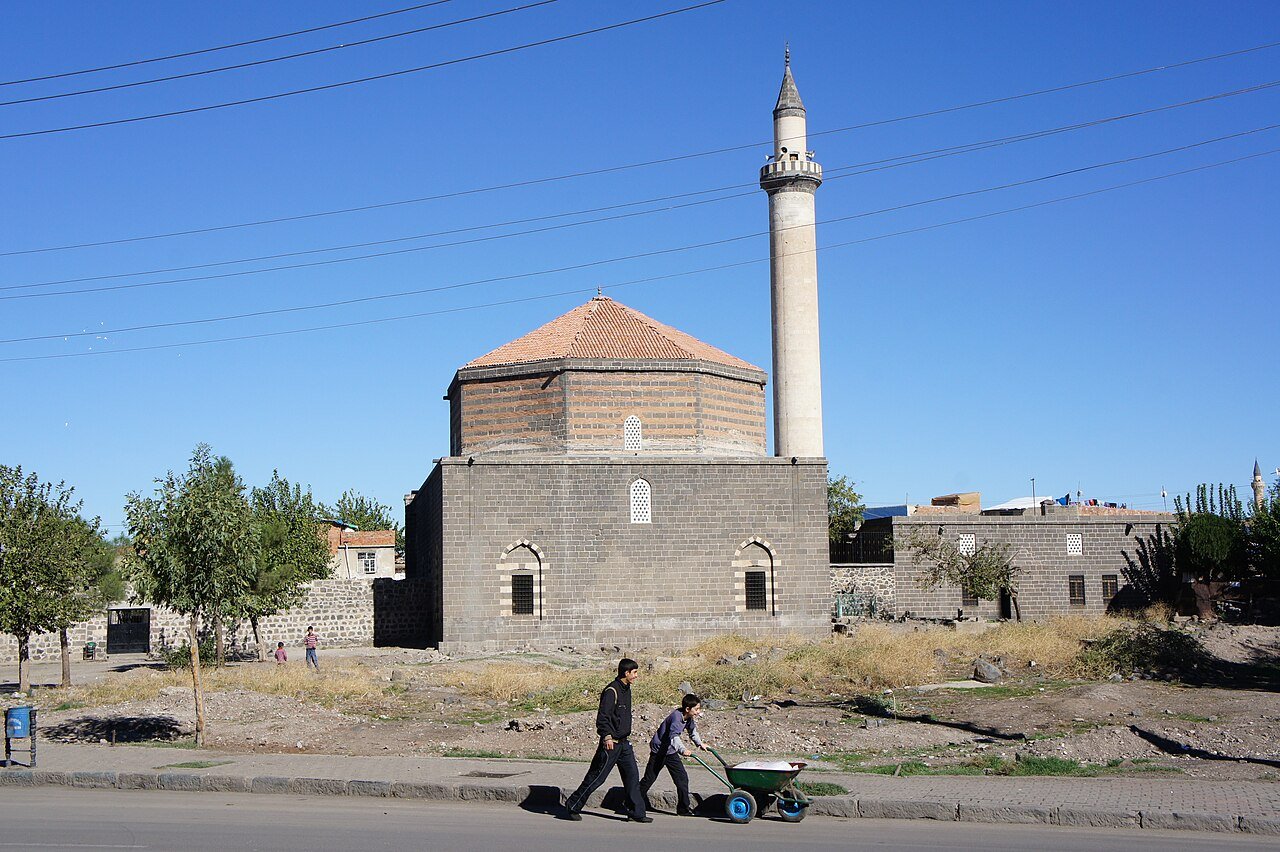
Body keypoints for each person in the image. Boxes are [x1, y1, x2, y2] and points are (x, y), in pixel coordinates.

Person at [561, 659, 650, 823]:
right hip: (611, 743)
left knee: (632, 778)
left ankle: (637, 812)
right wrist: (607, 736)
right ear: (626, 673)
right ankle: (572, 805)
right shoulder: (611, 691)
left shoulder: (627, 689)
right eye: (635, 672)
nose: (637, 676)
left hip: (624, 744)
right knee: (596, 777)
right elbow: (603, 717)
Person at [640, 692, 707, 816]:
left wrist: (700, 744)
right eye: (696, 709)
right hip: (659, 751)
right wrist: (682, 750)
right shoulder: (676, 718)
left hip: (670, 751)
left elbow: (692, 732)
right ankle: (631, 802)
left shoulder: (688, 718)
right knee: (649, 779)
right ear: (688, 709)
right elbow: (674, 737)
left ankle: (683, 808)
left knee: (682, 779)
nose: (698, 712)